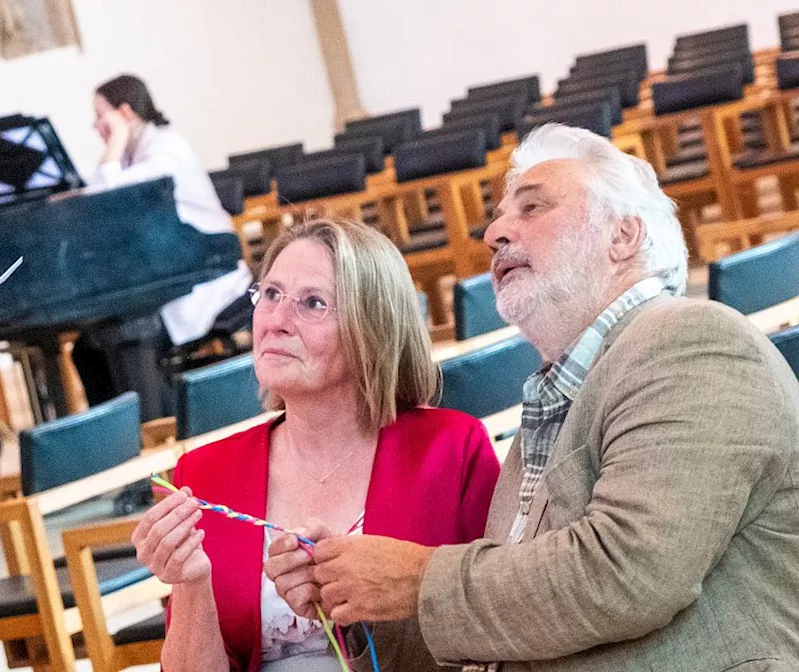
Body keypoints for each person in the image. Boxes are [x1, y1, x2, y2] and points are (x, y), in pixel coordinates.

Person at [268, 125, 799, 670]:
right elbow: (518, 621)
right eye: (499, 215)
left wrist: (417, 580)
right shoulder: (557, 397)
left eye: (533, 207)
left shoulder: (690, 343)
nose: (495, 231)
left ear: (623, 236)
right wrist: (359, 604)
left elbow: (627, 574)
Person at [132, 219, 501, 672]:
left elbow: (495, 619)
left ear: (373, 327)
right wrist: (190, 584)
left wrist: (357, 603)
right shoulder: (203, 473)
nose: (276, 322)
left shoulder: (450, 450)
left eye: (312, 303)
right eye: (270, 294)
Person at [72, 73, 255, 419]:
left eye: (101, 115)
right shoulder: (133, 156)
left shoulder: (167, 149)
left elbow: (107, 195)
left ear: (124, 113)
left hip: (203, 281)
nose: (96, 125)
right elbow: (91, 200)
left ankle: (160, 432)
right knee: (88, 349)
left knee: (125, 338)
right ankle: (122, 439)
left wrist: (116, 139)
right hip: (165, 278)